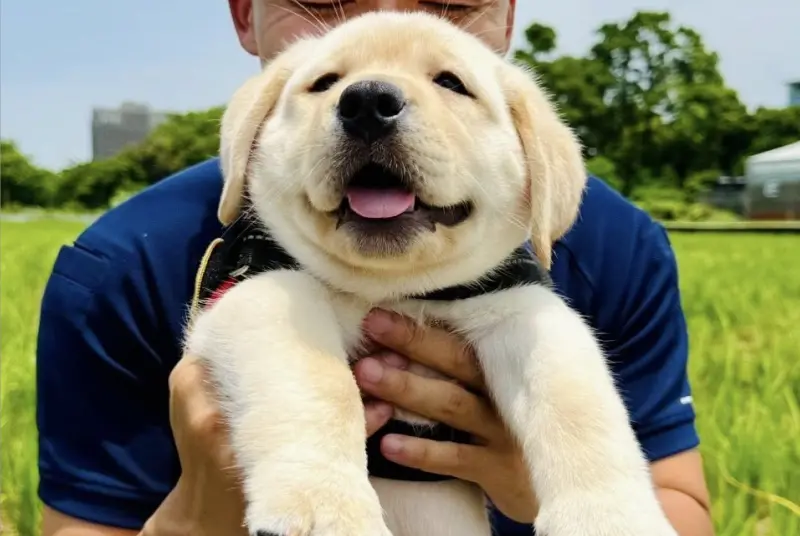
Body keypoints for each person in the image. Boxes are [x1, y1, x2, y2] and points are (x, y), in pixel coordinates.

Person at [36, 1, 714, 535]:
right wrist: (212, 511)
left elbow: (672, 498)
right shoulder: (119, 270)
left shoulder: (611, 257)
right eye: (327, 81)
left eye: (449, 81)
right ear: (252, 139)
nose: (371, 99)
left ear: (535, 157)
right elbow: (262, 311)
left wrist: (563, 492)